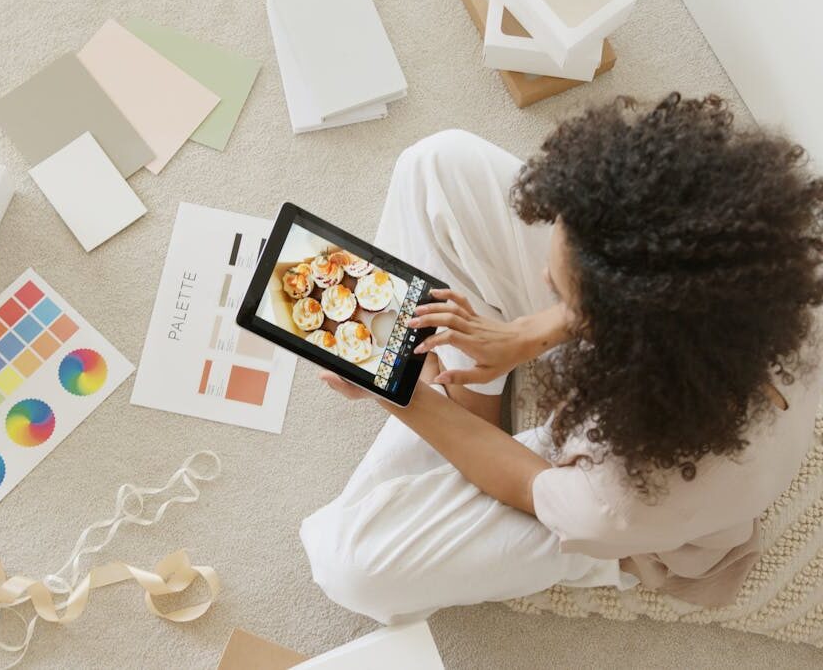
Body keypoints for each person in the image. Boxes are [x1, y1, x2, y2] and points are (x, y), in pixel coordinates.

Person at [299, 93, 823, 625]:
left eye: (564, 294)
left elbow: (527, 484)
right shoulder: (767, 282)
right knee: (436, 166)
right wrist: (524, 335)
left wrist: (402, 395)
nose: (544, 281)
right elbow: (643, 294)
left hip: (610, 503)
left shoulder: (632, 493)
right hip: (648, 356)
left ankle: (456, 405)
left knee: (347, 564)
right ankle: (469, 399)